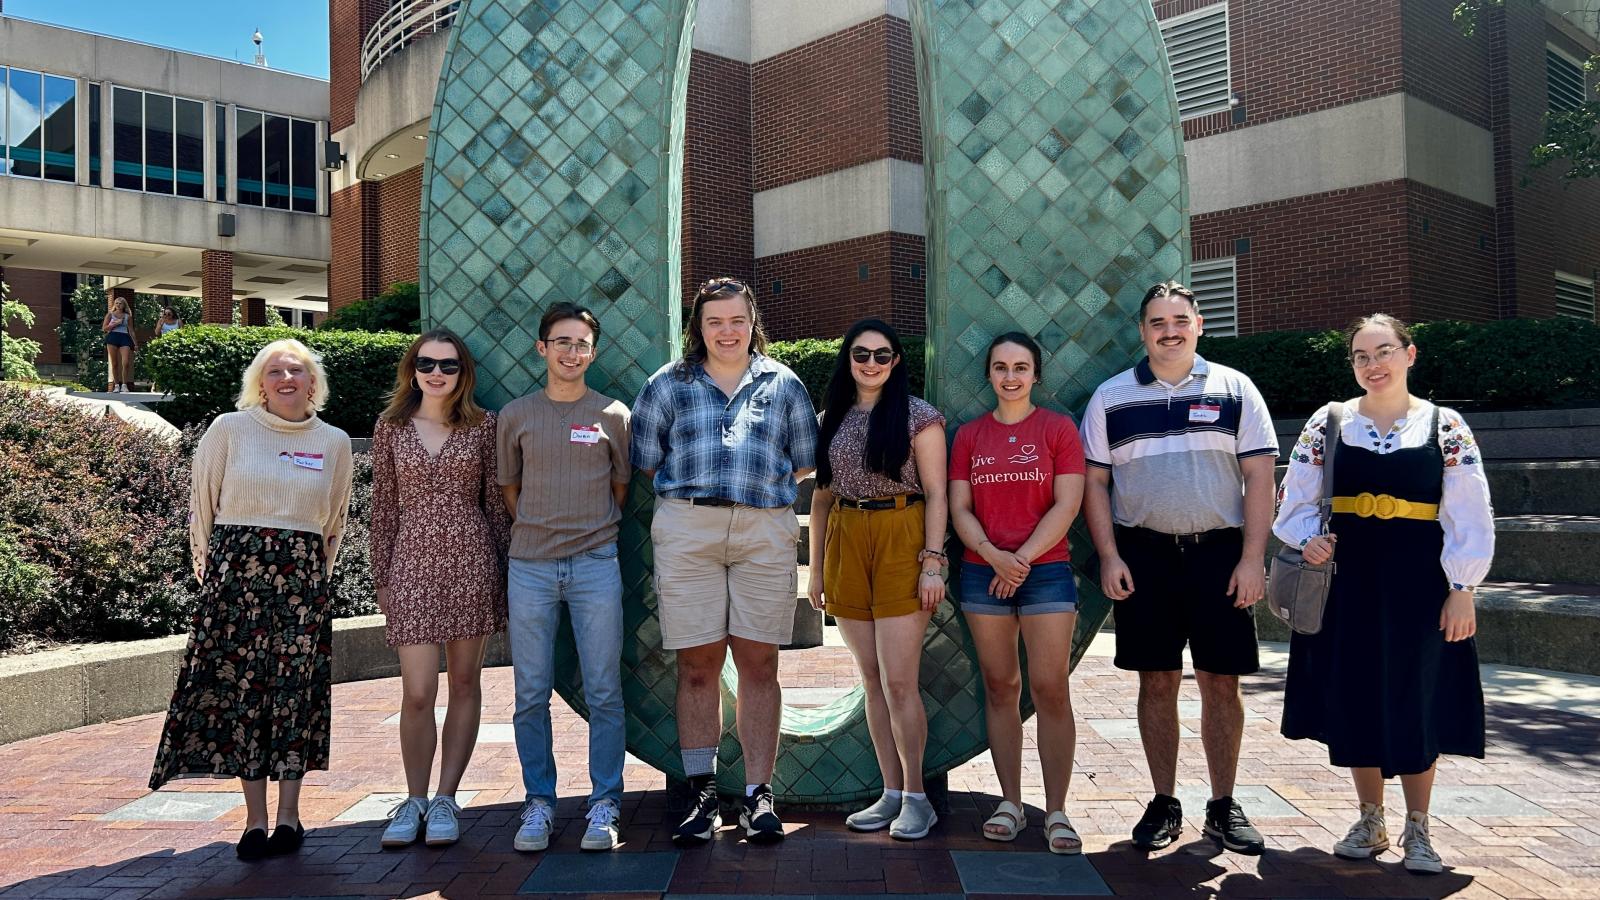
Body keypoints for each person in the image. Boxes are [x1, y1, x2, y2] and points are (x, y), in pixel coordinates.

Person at [1274, 313, 1491, 875]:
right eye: (1362, 356)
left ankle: (1419, 829)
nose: (1374, 365)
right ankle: (1370, 819)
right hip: (1347, 582)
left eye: (1384, 352)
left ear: (1410, 355)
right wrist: (1309, 541)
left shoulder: (1446, 426)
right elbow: (1292, 502)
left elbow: (1470, 511)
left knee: (1420, 694)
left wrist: (1463, 587)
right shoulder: (1329, 422)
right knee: (1356, 692)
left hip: (1421, 584)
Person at [1080, 281, 1277, 856]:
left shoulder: (1236, 388)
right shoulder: (1111, 398)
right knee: (1156, 680)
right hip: (1144, 555)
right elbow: (1095, 482)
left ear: (1198, 325)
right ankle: (1164, 802)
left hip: (1221, 553)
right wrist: (1111, 554)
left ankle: (1223, 805)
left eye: (1180, 320)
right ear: (1142, 332)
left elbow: (1261, 476)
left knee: (1222, 681)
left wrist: (1251, 559)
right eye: (1157, 322)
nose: (1170, 330)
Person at [149, 338, 354, 860]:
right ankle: (254, 821)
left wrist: (315, 579)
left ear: (314, 383)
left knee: (291, 694)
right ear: (259, 383)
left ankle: (289, 818)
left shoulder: (333, 441)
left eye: (298, 371)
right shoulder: (229, 429)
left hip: (301, 584)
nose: (287, 379)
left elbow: (334, 520)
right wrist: (209, 576)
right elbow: (203, 505)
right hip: (235, 580)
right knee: (244, 694)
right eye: (276, 371)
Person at [631, 277, 817, 846]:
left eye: (737, 320)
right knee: (697, 667)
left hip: (763, 528)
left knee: (761, 665)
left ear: (752, 321)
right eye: (715, 322)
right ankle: (702, 793)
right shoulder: (668, 383)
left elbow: (806, 460)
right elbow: (644, 456)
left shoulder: (783, 384)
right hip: (689, 528)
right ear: (699, 327)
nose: (727, 331)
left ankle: (761, 795)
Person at [497, 303, 633, 853]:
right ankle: (539, 802)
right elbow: (510, 489)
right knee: (530, 692)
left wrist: (585, 532)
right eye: (561, 342)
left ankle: (605, 802)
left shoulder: (614, 415)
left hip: (596, 564)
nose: (571, 352)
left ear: (592, 352)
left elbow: (620, 487)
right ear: (542, 348)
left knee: (604, 690)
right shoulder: (517, 415)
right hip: (529, 566)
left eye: (581, 343)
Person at [806, 319, 948, 841]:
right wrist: (816, 569)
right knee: (870, 678)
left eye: (882, 356)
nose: (871, 364)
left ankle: (917, 797)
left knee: (899, 680)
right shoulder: (832, 418)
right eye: (861, 355)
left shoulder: (919, 418)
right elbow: (820, 497)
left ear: (896, 362)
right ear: (848, 359)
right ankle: (890, 793)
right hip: (847, 537)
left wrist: (933, 561)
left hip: (901, 537)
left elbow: (936, 492)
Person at [372, 329, 512, 849]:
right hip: (411, 563)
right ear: (412, 368)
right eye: (427, 363)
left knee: (465, 684)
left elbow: (496, 509)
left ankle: (448, 799)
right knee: (416, 691)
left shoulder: (483, 426)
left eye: (448, 365)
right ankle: (414, 799)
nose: (437, 372)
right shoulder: (391, 427)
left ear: (462, 373)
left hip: (470, 561)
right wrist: (382, 575)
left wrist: (501, 574)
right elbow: (383, 507)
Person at [948, 332, 1087, 854]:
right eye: (1001, 367)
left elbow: (1066, 505)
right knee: (1001, 687)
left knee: (1050, 687)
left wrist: (1021, 559)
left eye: (1021, 367)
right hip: (983, 573)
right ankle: (1010, 801)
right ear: (989, 374)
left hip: (1045, 572)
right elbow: (960, 508)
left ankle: (1056, 811)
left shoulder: (1057, 429)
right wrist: (993, 554)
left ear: (1036, 376)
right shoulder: (968, 437)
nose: (1011, 376)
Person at [102, 295, 137, 393]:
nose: (118, 305)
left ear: (124, 305)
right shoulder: (110, 314)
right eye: (116, 303)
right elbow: (104, 328)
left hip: (124, 337)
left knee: (125, 363)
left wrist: (135, 344)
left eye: (120, 303)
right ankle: (116, 385)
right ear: (114, 305)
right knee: (114, 363)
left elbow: (131, 330)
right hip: (112, 337)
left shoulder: (128, 316)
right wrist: (115, 324)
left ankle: (124, 385)